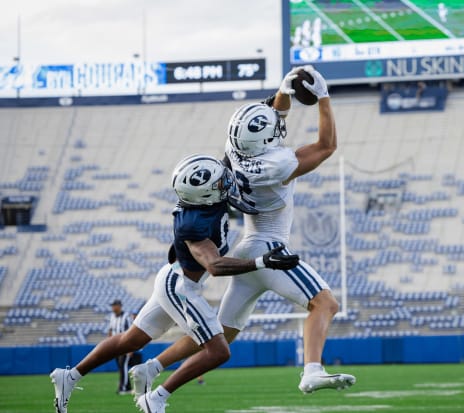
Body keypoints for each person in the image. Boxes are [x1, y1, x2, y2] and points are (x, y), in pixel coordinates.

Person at [131, 66, 356, 395]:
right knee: (325, 304)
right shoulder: (275, 164)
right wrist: (323, 98)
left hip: (245, 247)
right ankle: (312, 370)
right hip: (268, 247)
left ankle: (153, 369)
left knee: (219, 333)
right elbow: (326, 146)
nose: (278, 129)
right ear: (264, 140)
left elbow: (272, 120)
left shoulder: (235, 149)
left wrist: (285, 91)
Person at [50, 155, 299, 413]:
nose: (226, 183)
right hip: (180, 287)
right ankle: (156, 398)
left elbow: (228, 157)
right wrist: (261, 262)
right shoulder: (194, 224)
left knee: (130, 341)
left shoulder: (201, 194)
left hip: (172, 276)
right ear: (205, 196)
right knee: (218, 351)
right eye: (220, 183)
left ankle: (70, 376)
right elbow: (214, 265)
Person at [107, 299, 133, 395]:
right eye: (112, 306)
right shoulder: (112, 317)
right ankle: (128, 387)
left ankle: (123, 388)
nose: (113, 307)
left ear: (119, 306)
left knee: (123, 366)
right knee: (121, 366)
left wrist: (131, 348)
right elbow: (110, 330)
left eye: (114, 305)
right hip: (115, 346)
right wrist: (109, 344)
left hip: (125, 346)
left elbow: (131, 332)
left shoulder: (126, 317)